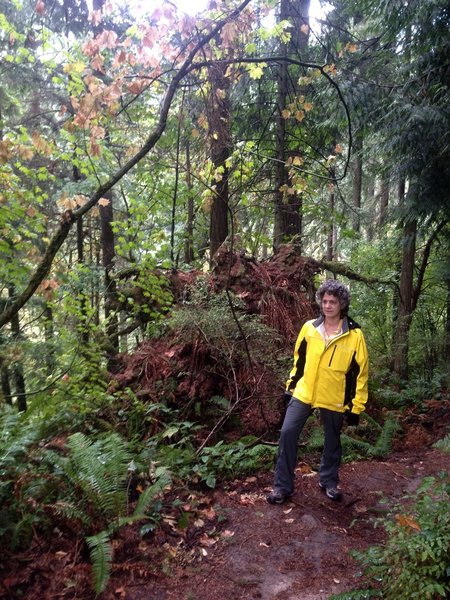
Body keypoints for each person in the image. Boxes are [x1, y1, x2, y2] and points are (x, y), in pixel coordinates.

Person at [266, 279, 369, 504]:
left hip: (334, 395)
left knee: (332, 441)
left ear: (342, 304)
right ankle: (282, 487)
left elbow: (360, 373)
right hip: (304, 391)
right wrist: (290, 387)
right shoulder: (309, 328)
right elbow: (299, 361)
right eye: (324, 301)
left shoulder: (354, 335)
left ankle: (328, 481)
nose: (328, 305)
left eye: (333, 301)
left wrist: (356, 406)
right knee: (287, 433)